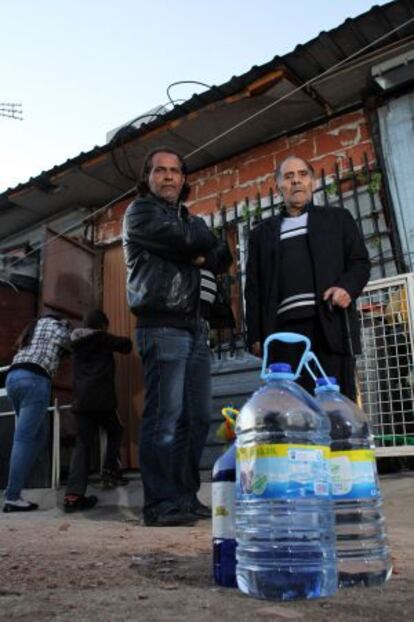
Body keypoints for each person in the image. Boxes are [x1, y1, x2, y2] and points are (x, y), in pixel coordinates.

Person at [123, 147, 232, 526]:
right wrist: (198, 243)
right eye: (160, 170)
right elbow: (187, 241)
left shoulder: (189, 219)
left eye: (175, 171)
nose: (169, 176)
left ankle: (185, 497)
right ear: (148, 177)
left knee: (197, 418)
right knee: (164, 417)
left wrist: (198, 246)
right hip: (162, 324)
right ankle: (159, 503)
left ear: (183, 179)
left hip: (197, 327)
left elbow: (223, 257)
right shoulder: (141, 212)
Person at [245, 155, 370, 400]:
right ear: (279, 185)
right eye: (289, 177)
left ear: (312, 181)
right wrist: (256, 335)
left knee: (335, 404)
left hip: (329, 325)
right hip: (283, 334)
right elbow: (254, 286)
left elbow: (360, 263)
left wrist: (346, 288)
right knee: (292, 409)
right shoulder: (262, 234)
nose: (296, 182)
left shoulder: (338, 220)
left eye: (302, 175)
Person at [63, 309, 132, 513]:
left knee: (83, 445)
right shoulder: (101, 337)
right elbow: (126, 346)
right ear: (102, 325)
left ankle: (72, 496)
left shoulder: (76, 342)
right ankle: (110, 470)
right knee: (115, 429)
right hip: (101, 399)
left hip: (81, 401)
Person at [3, 314, 71, 512]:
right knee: (24, 439)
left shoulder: (32, 330)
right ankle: (12, 496)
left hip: (13, 378)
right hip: (35, 379)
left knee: (38, 436)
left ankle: (17, 487)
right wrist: (69, 328)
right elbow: (72, 342)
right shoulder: (56, 325)